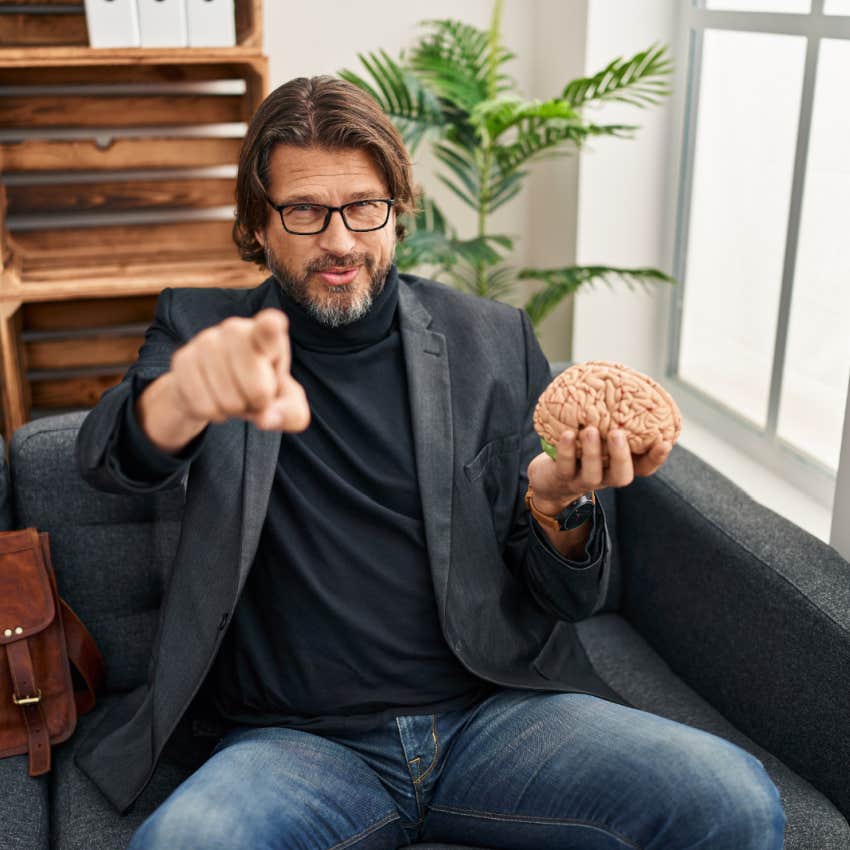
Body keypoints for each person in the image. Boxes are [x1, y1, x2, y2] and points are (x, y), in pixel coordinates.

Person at [75, 75, 785, 850]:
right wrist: (183, 399)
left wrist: (558, 507)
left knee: (734, 799)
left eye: (364, 206)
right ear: (258, 224)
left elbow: (570, 599)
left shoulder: (493, 339)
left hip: (493, 720)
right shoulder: (202, 329)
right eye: (305, 210)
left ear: (398, 210)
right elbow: (109, 459)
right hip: (295, 747)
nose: (339, 240)